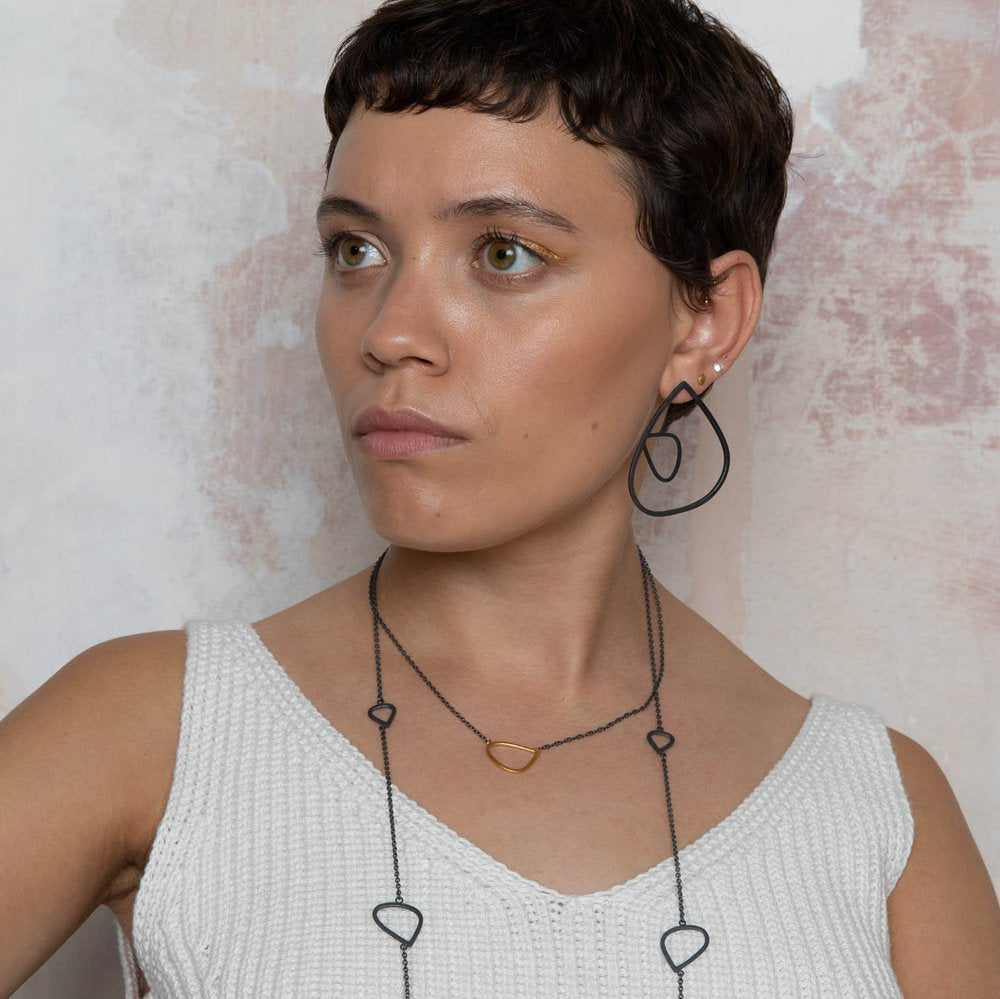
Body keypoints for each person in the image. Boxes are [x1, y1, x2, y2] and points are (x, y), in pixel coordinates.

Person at [2, 0, 997, 996]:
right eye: (356, 250)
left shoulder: (876, 810)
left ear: (703, 322)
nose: (391, 332)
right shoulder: (154, 731)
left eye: (503, 254)